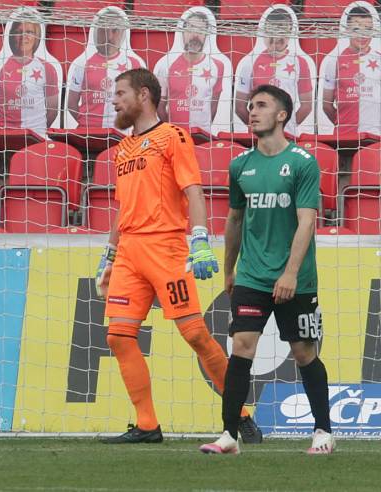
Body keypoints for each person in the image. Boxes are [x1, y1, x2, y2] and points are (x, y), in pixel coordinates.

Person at [95, 68, 260, 444]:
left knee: (196, 335)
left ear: (144, 95)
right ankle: (148, 425)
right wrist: (109, 254)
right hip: (130, 253)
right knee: (119, 337)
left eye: (121, 93)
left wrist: (199, 240)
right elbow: (123, 208)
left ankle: (241, 415)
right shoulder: (122, 149)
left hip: (166, 248)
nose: (115, 100)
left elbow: (194, 192)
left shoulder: (173, 137)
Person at [200, 85, 333, 455]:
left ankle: (323, 431)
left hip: (297, 278)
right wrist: (230, 270)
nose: (251, 111)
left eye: (260, 106)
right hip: (252, 276)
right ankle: (229, 435)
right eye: (249, 106)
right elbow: (234, 220)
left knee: (304, 352)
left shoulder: (303, 162)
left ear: (281, 115)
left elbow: (307, 221)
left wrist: (290, 273)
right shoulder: (240, 165)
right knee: (241, 347)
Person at [234, 6, 315, 136]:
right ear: (264, 32)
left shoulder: (300, 62)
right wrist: (259, 127)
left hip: (287, 137)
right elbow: (239, 106)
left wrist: (284, 128)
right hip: (258, 138)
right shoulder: (249, 62)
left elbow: (307, 106)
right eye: (272, 30)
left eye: (282, 30)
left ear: (289, 32)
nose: (276, 37)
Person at [0, 8, 61, 137]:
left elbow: (53, 111)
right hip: (7, 140)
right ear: (11, 36)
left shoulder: (48, 68)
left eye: (29, 32)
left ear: (37, 37)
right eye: (18, 32)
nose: (23, 36)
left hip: (37, 140)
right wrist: (5, 135)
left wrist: (36, 135)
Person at [153, 7, 231, 135]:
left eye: (200, 30)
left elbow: (214, 104)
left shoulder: (218, 66)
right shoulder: (166, 65)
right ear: (182, 33)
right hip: (175, 138)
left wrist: (203, 129)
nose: (195, 35)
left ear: (207, 34)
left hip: (203, 137)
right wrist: (173, 130)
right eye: (191, 29)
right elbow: (160, 106)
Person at [65, 6, 144, 129]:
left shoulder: (134, 64)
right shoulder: (82, 63)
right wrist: (87, 122)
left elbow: (142, 103)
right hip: (88, 132)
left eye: (115, 30)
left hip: (122, 133)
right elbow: (71, 103)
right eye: (103, 30)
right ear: (96, 32)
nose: (109, 36)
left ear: (122, 33)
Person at [320, 3, 381, 136]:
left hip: (376, 137)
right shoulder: (334, 62)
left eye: (368, 29)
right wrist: (343, 123)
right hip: (345, 137)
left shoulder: (379, 59)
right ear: (347, 30)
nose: (362, 35)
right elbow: (327, 105)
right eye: (357, 29)